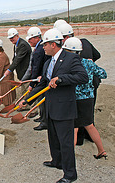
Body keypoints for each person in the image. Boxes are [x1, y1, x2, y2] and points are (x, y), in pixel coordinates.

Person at [19, 29, 88, 183]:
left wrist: (61, 79)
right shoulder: (48, 62)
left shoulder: (70, 58)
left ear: (53, 44)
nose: (43, 47)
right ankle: (57, 161)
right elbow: (43, 83)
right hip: (51, 108)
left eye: (45, 45)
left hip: (64, 109)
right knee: (53, 139)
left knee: (66, 142)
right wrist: (27, 100)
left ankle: (70, 174)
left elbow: (83, 77)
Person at [63, 37, 107, 159]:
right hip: (89, 98)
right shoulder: (88, 63)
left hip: (75, 99)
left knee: (74, 128)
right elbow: (103, 74)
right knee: (89, 125)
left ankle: (68, 157)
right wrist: (91, 64)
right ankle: (101, 150)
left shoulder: (68, 64)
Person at [57, 22, 101, 145]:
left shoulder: (68, 50)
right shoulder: (85, 42)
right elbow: (97, 55)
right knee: (88, 112)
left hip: (78, 86)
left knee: (77, 115)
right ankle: (90, 137)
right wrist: (91, 65)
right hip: (92, 84)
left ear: (65, 37)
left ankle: (79, 139)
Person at [22, 27, 50, 131]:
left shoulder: (39, 50)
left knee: (41, 100)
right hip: (41, 78)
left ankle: (44, 122)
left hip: (41, 80)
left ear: (37, 38)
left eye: (30, 39)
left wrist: (32, 84)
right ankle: (42, 117)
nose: (29, 41)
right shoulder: (40, 47)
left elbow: (36, 68)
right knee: (40, 101)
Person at [4, 28, 31, 95]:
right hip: (21, 73)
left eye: (12, 37)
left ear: (17, 36)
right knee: (24, 91)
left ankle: (27, 105)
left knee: (26, 92)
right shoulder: (16, 44)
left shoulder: (22, 45)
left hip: (26, 74)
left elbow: (17, 59)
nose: (11, 39)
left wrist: (9, 70)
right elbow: (14, 58)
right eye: (10, 38)